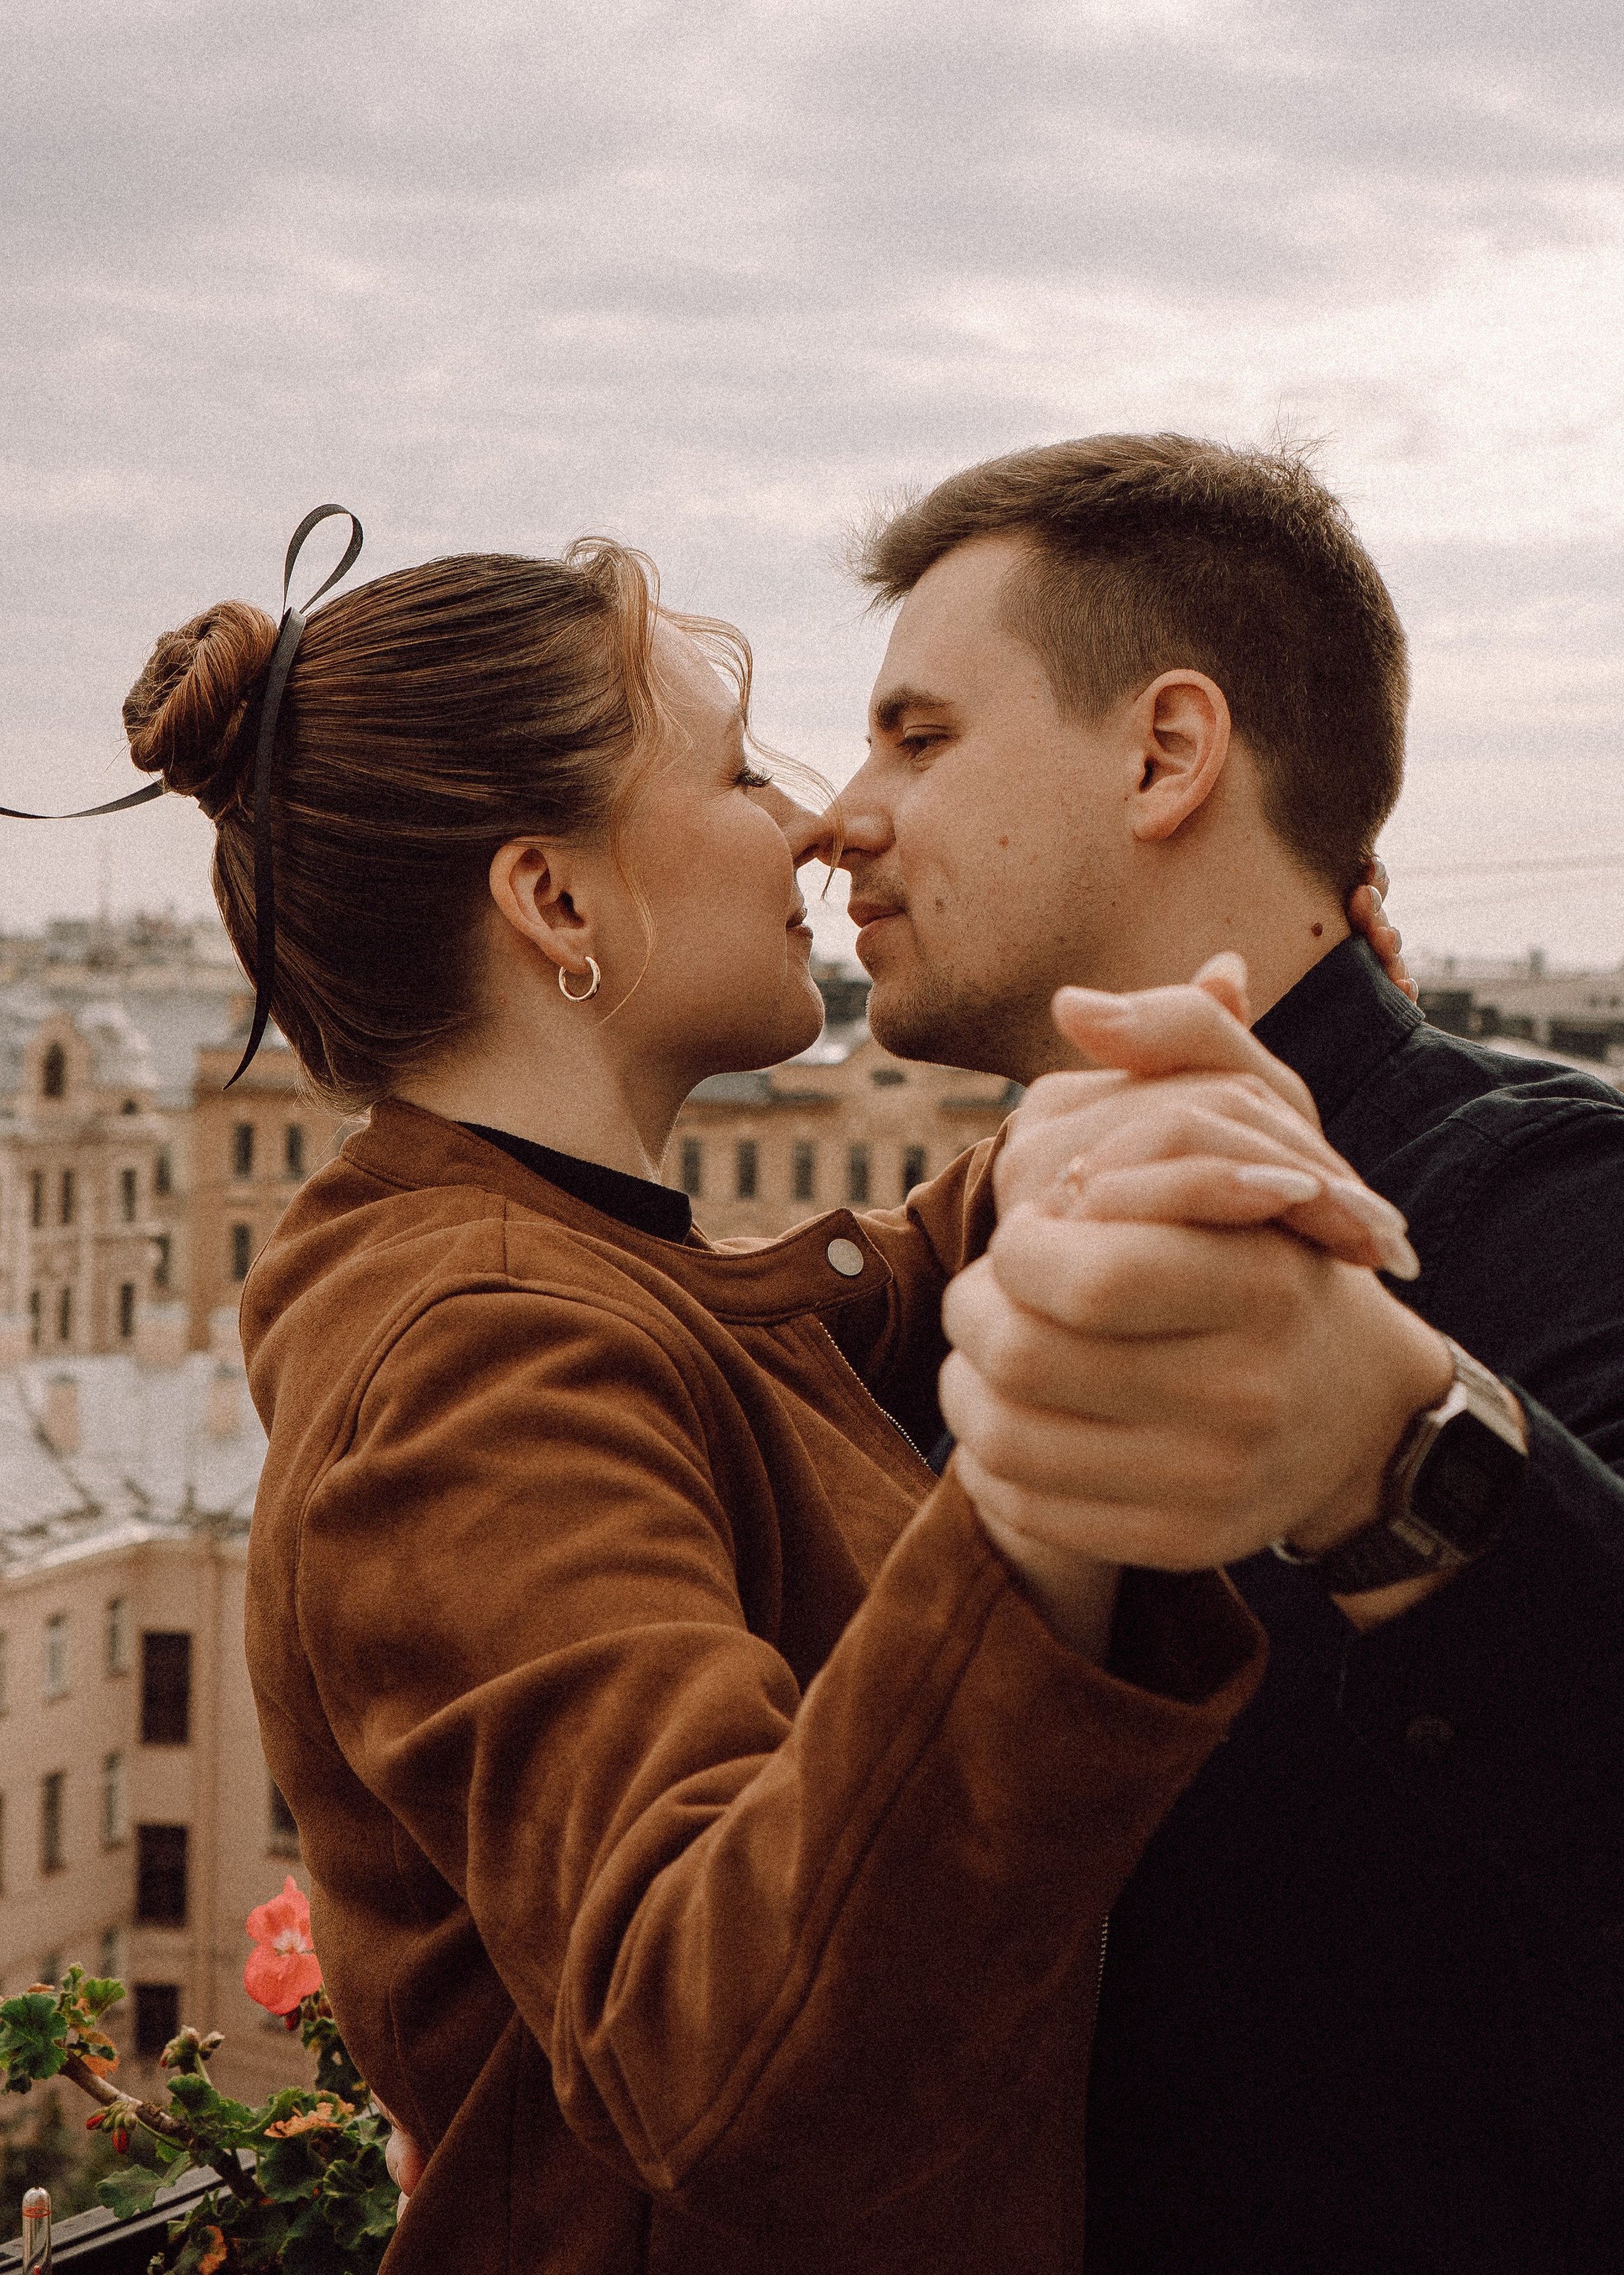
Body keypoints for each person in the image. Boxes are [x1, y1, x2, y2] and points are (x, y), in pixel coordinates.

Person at [119, 532, 1415, 2274]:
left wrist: (1233, 1023)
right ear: (555, 904)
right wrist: (1042, 1483)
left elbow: (816, 1322)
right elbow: (730, 2063)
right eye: (735, 775)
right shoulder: (475, 1356)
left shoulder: (572, 1274)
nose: (810, 821)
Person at [828, 431, 1624, 2275]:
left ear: (1168, 753)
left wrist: (1396, 1450)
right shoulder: (965, 1271)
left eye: (918, 735)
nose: (841, 814)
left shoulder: (1537, 1195)